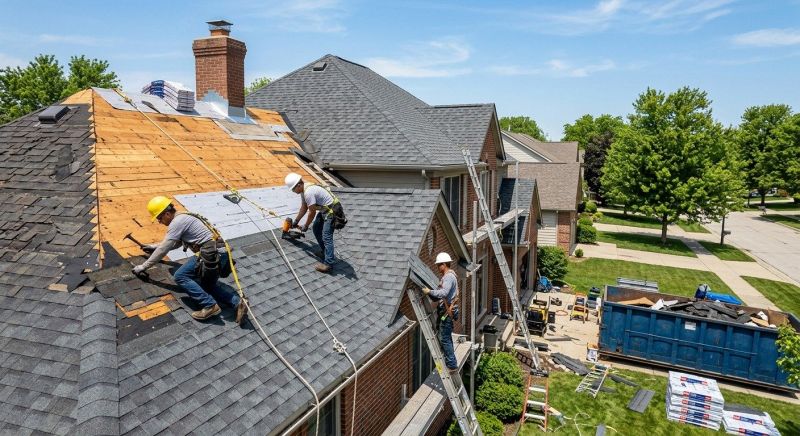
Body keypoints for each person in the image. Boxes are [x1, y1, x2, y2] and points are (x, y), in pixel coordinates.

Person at [132, 196, 247, 323]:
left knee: (180, 276)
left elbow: (164, 248)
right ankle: (238, 303)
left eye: (159, 218)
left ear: (167, 214)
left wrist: (143, 267)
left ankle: (209, 306)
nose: (159, 222)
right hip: (221, 253)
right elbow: (176, 243)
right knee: (207, 286)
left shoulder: (177, 222)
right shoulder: (185, 216)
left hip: (211, 253)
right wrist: (154, 247)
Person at [285, 172, 343, 273]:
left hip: (332, 211)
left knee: (327, 236)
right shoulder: (303, 191)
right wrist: (296, 221)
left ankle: (328, 264)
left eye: (293, 189)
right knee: (316, 228)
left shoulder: (308, 192)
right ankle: (325, 252)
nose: (293, 191)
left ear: (299, 185)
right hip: (325, 210)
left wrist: (306, 226)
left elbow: (311, 212)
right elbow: (304, 207)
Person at [423, 252, 459, 374]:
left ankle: (452, 365)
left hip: (447, 312)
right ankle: (451, 362)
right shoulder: (448, 276)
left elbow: (443, 293)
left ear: (444, 264)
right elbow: (441, 295)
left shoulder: (448, 277)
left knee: (445, 339)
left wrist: (429, 292)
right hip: (446, 311)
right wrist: (432, 293)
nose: (438, 267)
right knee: (446, 337)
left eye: (439, 265)